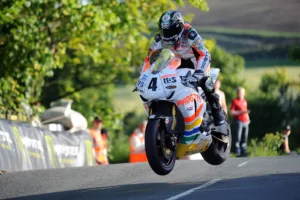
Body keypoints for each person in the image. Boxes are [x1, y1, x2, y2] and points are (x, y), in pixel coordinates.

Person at [141, 10, 226, 128]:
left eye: (170, 30)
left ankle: (217, 112)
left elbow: (204, 53)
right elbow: (149, 58)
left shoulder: (189, 33)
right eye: (164, 30)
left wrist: (199, 73)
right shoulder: (159, 39)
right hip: (177, 62)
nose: (167, 34)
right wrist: (144, 75)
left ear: (179, 27)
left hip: (196, 60)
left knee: (205, 82)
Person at [230, 87, 250, 157]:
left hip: (245, 121)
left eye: (242, 93)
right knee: (238, 137)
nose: (241, 94)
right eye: (239, 93)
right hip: (238, 121)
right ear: (237, 93)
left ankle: (243, 151)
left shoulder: (245, 101)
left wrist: (248, 119)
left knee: (244, 137)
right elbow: (232, 112)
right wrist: (241, 112)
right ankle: (237, 151)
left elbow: (246, 111)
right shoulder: (235, 101)